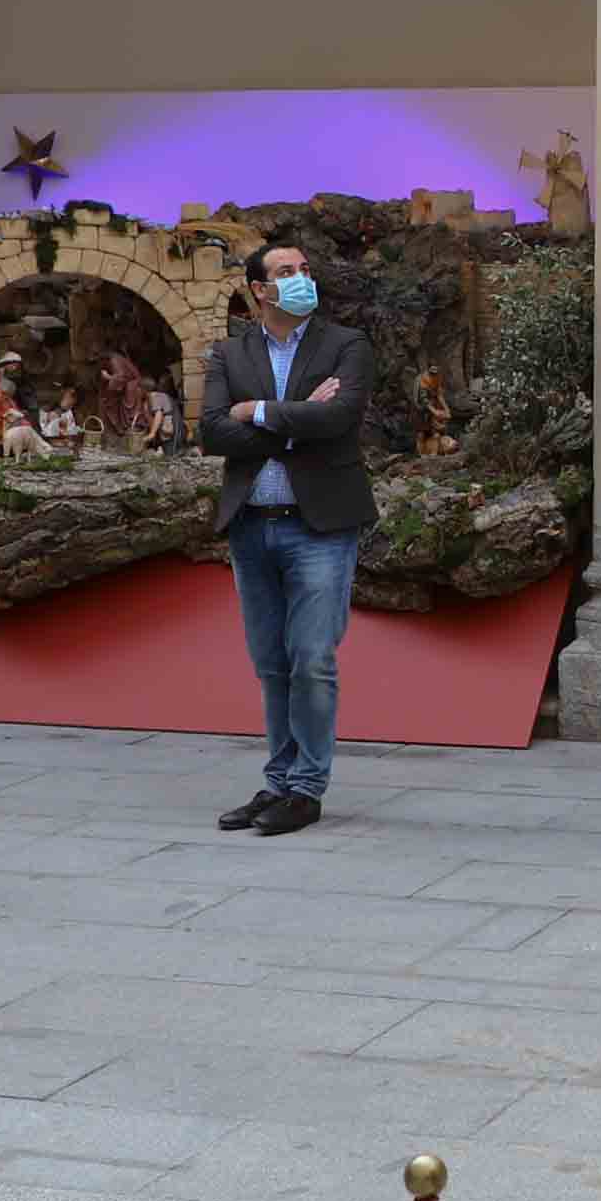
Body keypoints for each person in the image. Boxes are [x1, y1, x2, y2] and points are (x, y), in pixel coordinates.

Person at [200, 242, 374, 836]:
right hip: (252, 525)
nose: (301, 279)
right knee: (272, 664)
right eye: (285, 273)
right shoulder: (229, 351)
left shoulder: (344, 345)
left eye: (304, 270)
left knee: (312, 660)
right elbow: (212, 432)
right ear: (259, 291)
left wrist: (260, 412)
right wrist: (295, 415)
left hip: (319, 526)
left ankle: (306, 788)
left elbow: (339, 419)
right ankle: (278, 780)